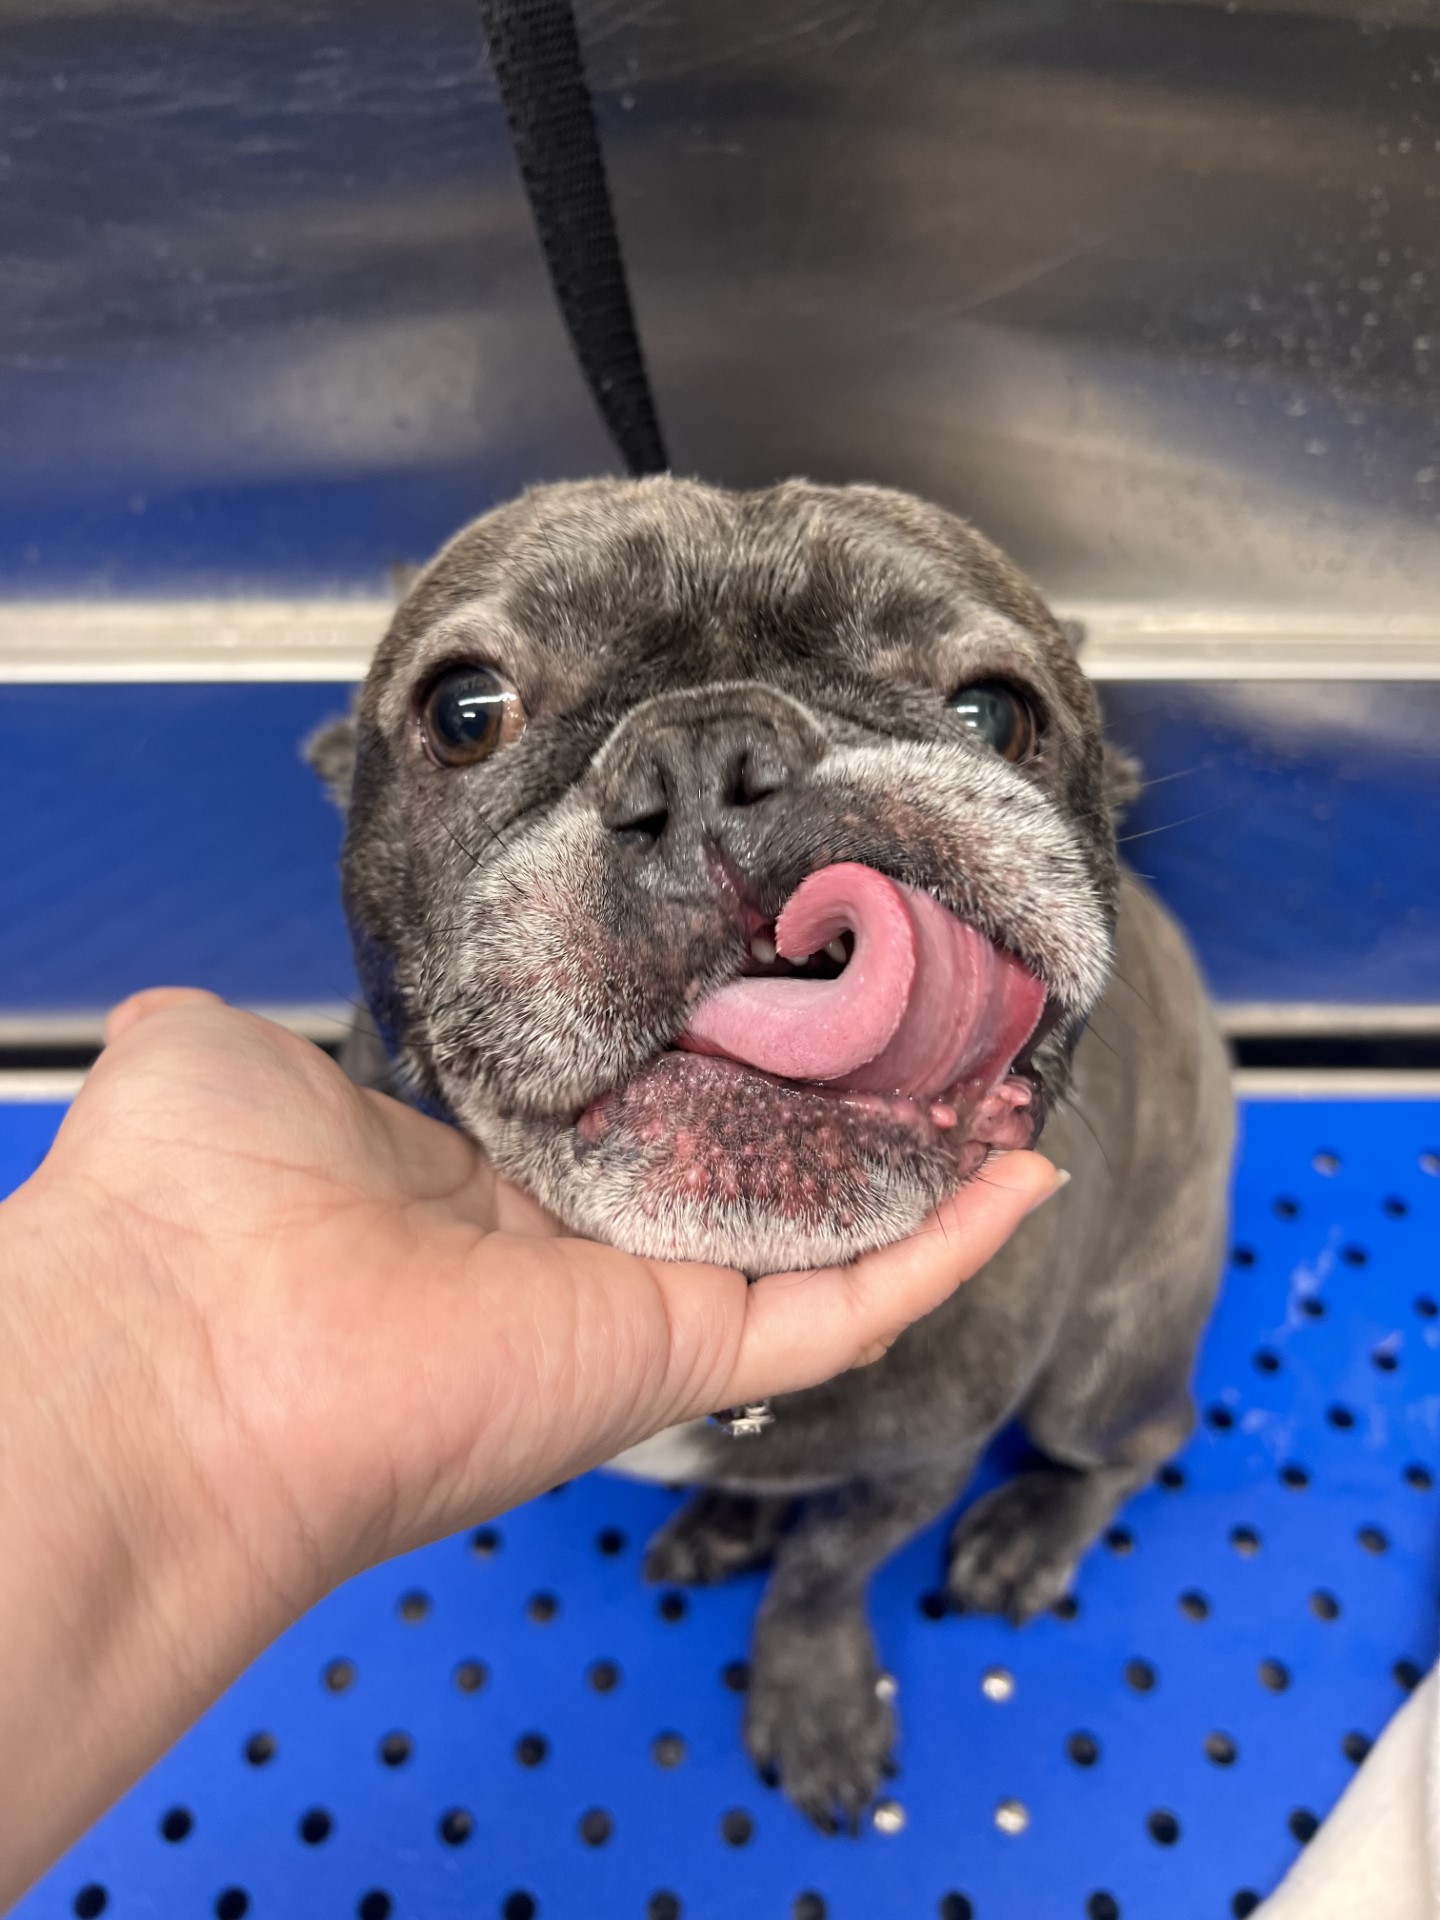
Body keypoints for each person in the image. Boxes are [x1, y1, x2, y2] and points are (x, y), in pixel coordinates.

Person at [0, 988, 1062, 1903]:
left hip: (937, 1344)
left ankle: (1090, 1481)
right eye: (470, 737)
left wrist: (815, 1612)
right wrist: (167, 1331)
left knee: (1073, 1404)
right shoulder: (379, 1154)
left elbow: (938, 1433)